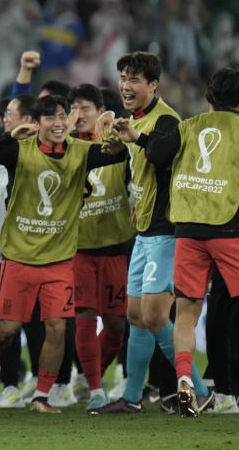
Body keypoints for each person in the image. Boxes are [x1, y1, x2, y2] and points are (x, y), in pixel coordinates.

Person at [0, 94, 128, 413]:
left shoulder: (81, 151)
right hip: (18, 258)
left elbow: (116, 156)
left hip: (59, 261)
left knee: (57, 326)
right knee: (8, 330)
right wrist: (8, 136)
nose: (58, 123)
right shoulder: (19, 150)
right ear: (37, 122)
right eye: (50, 118)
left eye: (62, 116)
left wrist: (117, 142)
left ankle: (42, 396)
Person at [110, 66, 239, 416]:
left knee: (183, 314)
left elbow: (156, 153)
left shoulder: (186, 126)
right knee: (145, 314)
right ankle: (198, 389)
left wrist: (136, 138)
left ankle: (185, 379)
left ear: (209, 97)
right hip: (229, 230)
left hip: (185, 232)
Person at [90, 52, 211, 414]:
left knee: (155, 317)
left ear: (153, 85)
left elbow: (158, 154)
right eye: (123, 78)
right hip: (143, 230)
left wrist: (133, 137)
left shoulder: (167, 120)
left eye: (134, 79)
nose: (125, 86)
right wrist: (116, 147)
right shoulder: (133, 120)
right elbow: (137, 165)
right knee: (134, 316)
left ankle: (200, 390)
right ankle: (131, 398)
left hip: (166, 231)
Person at [68, 84, 135, 411]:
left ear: (99, 111)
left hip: (114, 246)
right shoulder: (65, 149)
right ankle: (95, 389)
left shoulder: (118, 146)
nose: (79, 115)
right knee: (84, 317)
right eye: (74, 109)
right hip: (79, 248)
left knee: (115, 325)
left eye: (85, 108)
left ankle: (91, 377)